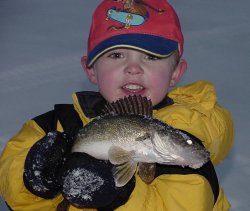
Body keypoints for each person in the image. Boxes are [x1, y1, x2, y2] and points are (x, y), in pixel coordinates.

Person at [0, 0, 234, 210]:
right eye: (117, 55)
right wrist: (35, 178)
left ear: (175, 73)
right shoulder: (55, 125)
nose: (133, 68)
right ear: (90, 69)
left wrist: (118, 196)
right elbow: (10, 179)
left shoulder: (192, 125)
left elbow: (187, 203)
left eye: (151, 57)